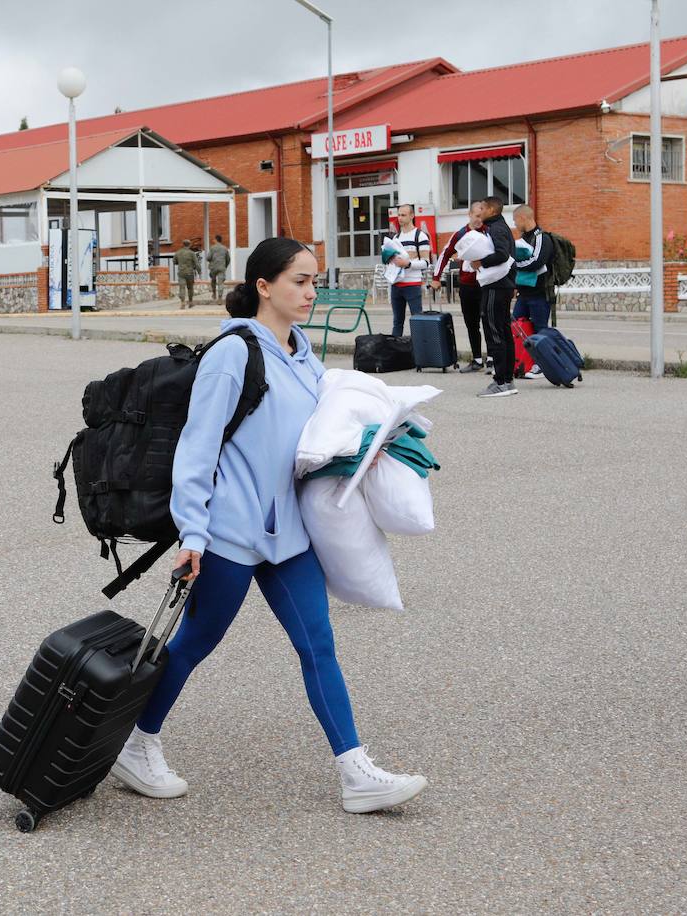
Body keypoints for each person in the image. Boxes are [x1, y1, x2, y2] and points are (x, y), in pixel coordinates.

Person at [110, 236, 428, 815]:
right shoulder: (234, 352)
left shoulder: (303, 352)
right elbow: (197, 447)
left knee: (318, 644)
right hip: (231, 530)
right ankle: (136, 745)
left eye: (313, 281)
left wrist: (363, 449)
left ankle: (357, 773)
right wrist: (194, 534)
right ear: (264, 286)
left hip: (289, 534)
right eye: (299, 281)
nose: (310, 292)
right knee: (194, 644)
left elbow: (305, 440)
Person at [468, 196, 517, 398]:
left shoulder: (496, 228)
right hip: (501, 285)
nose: (480, 211)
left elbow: (502, 254)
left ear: (492, 210)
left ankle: (501, 382)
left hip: (497, 286)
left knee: (495, 332)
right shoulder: (497, 226)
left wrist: (480, 262)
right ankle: (507, 379)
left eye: (483, 208)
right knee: (503, 332)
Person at [432, 203, 489, 373]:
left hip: (486, 284)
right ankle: (477, 359)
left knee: (488, 322)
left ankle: (493, 359)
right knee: (471, 324)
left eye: (482, 216)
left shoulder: (489, 231)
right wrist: (436, 278)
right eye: (477, 216)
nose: (480, 220)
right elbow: (445, 254)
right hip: (467, 285)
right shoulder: (461, 234)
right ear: (469, 214)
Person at [511, 205, 556, 381]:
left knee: (540, 330)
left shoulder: (541, 238)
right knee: (517, 327)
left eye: (515, 221)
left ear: (523, 218)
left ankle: (542, 365)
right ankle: (520, 362)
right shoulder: (523, 239)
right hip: (524, 292)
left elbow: (537, 261)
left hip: (539, 293)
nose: (515, 225)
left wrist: (514, 266)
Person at [380, 205, 431, 337]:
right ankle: (396, 352)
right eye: (399, 215)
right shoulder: (396, 237)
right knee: (397, 322)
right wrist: (387, 258)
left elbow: (426, 262)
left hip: (412, 284)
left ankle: (420, 353)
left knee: (417, 320)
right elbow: (392, 260)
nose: (400, 218)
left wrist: (408, 264)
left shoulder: (420, 236)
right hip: (396, 284)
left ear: (412, 216)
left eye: (403, 215)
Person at [173, 239, 198, 309]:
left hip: (181, 273)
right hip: (190, 273)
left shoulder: (178, 252)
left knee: (182, 288)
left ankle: (182, 303)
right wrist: (199, 271)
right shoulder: (192, 253)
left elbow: (174, 262)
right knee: (190, 288)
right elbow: (196, 263)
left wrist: (180, 262)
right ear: (189, 245)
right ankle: (190, 302)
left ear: (183, 244)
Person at [206, 234, 231, 301]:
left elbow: (208, 258)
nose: (213, 240)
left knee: (213, 281)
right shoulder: (225, 248)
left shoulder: (212, 248)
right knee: (221, 283)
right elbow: (228, 259)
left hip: (213, 268)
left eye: (214, 239)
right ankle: (220, 297)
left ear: (216, 240)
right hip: (222, 267)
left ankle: (214, 294)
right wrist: (225, 266)